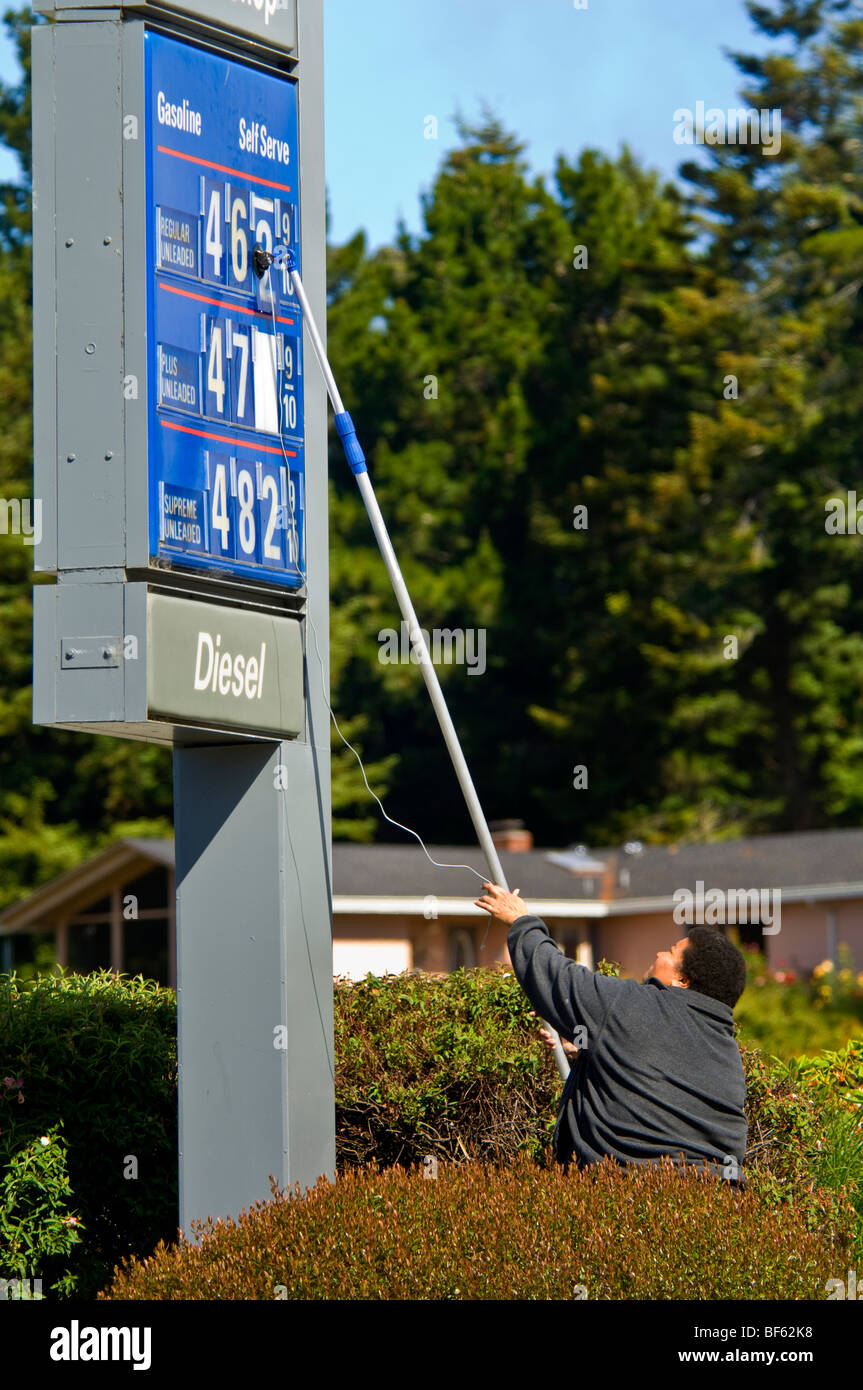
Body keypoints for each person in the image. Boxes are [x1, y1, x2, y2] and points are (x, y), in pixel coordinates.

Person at [474, 881, 748, 1185]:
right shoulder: (726, 1050)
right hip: (718, 1207)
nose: (659, 953)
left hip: (629, 1200)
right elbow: (656, 1075)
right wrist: (590, 1047)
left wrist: (521, 921)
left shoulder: (631, 1004)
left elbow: (556, 978)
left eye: (670, 953)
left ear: (682, 980)